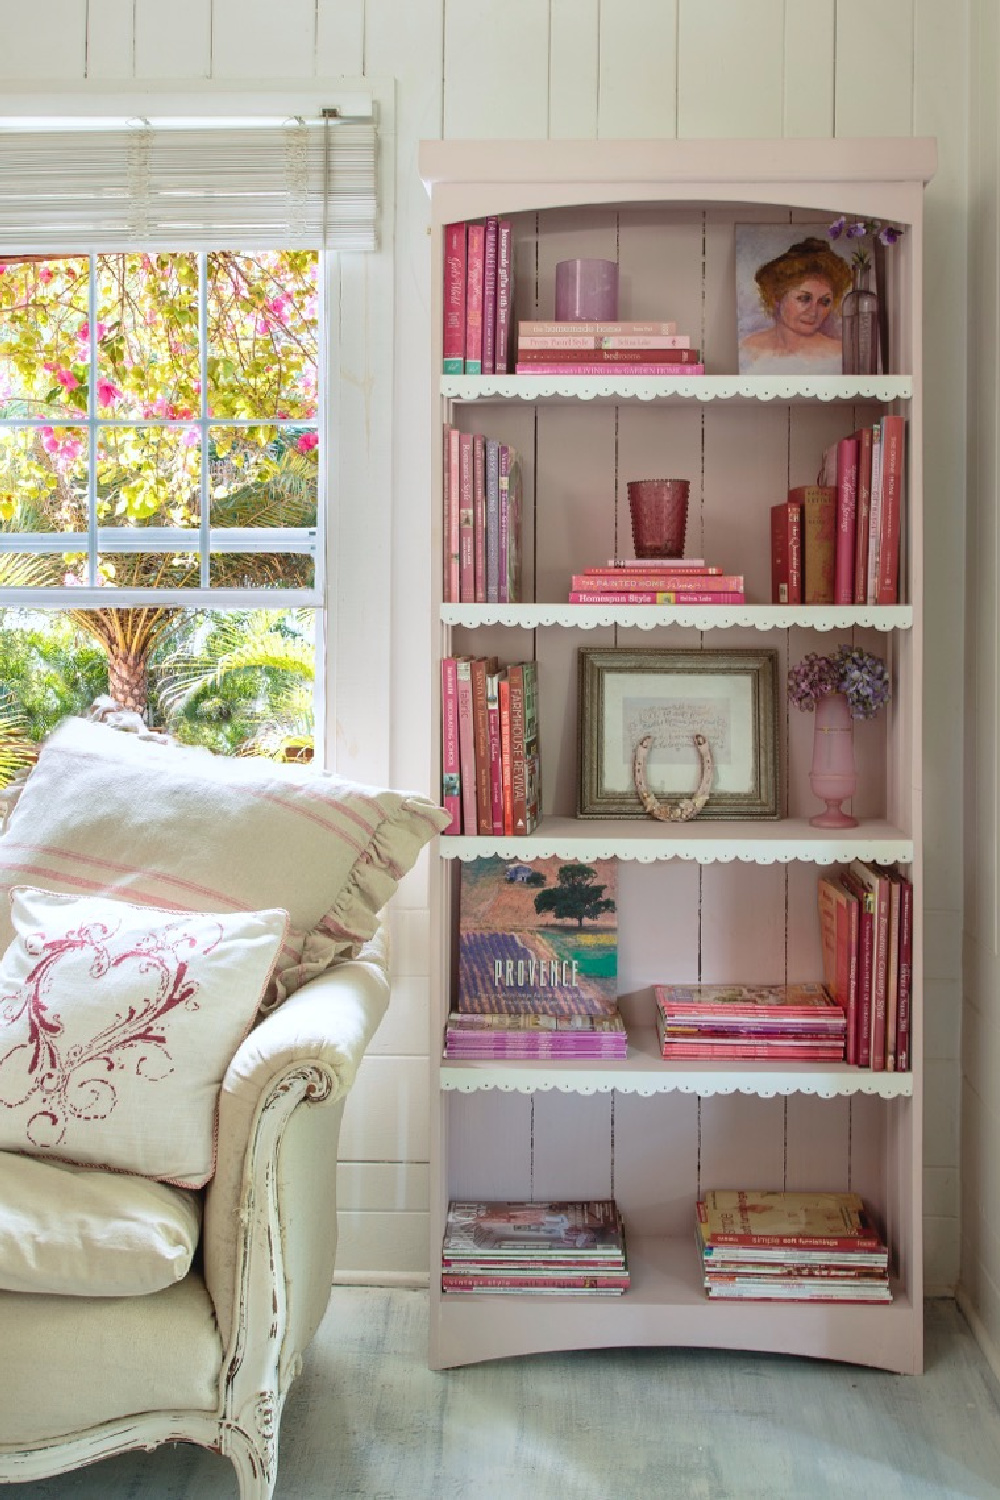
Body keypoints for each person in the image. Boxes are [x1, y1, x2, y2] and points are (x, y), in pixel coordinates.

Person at [739, 236, 853, 370]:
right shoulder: (747, 349)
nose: (813, 312)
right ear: (777, 296)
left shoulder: (839, 354)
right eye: (804, 299)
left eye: (824, 301)